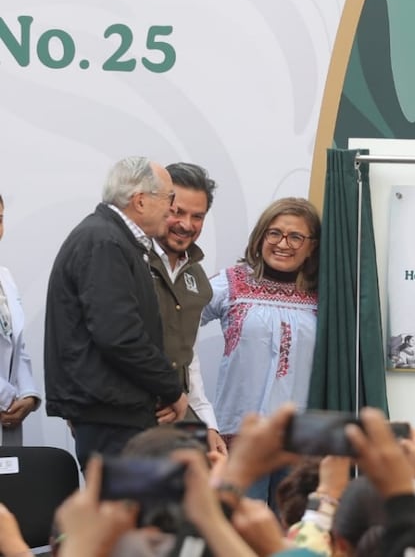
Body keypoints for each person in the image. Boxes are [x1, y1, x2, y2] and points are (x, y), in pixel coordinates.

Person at [44, 157, 188, 467]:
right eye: (170, 198)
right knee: (122, 513)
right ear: (140, 200)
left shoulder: (109, 238)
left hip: (114, 414)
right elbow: (120, 336)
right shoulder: (105, 242)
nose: (172, 210)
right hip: (112, 419)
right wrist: (172, 389)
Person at [201, 197, 321, 504]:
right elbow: (176, 322)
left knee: (289, 535)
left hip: (300, 441)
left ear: (312, 246)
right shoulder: (232, 284)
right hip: (240, 438)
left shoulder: (322, 294)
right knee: (241, 534)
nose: (283, 243)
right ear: (260, 236)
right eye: (274, 233)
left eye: (296, 236)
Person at [149, 162, 227, 455]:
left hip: (179, 416)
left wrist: (208, 424)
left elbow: (188, 358)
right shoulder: (126, 261)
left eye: (198, 216)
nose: (186, 224)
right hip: (131, 417)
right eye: (177, 212)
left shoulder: (197, 276)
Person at [0, 194, 42, 443]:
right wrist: (7, 397)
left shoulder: (5, 277)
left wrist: (28, 395)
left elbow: (18, 347)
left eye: (0, 219)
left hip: (9, 415)